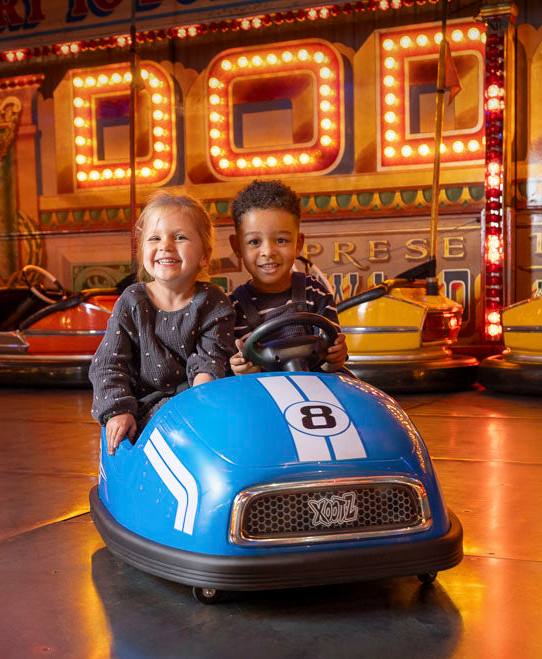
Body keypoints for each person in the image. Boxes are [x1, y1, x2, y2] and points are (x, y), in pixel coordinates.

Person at [90, 191, 235, 454]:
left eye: (180, 237)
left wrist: (198, 410)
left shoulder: (213, 301)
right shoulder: (132, 301)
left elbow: (210, 361)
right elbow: (108, 363)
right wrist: (118, 410)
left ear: (204, 255)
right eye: (155, 238)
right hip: (143, 409)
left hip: (194, 402)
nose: (166, 245)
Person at [226, 180, 348, 375]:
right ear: (237, 247)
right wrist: (242, 369)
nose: (268, 251)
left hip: (316, 383)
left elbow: (330, 362)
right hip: (264, 390)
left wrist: (335, 357)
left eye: (281, 240)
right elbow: (237, 368)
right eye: (254, 242)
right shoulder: (233, 307)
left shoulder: (314, 292)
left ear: (298, 244)